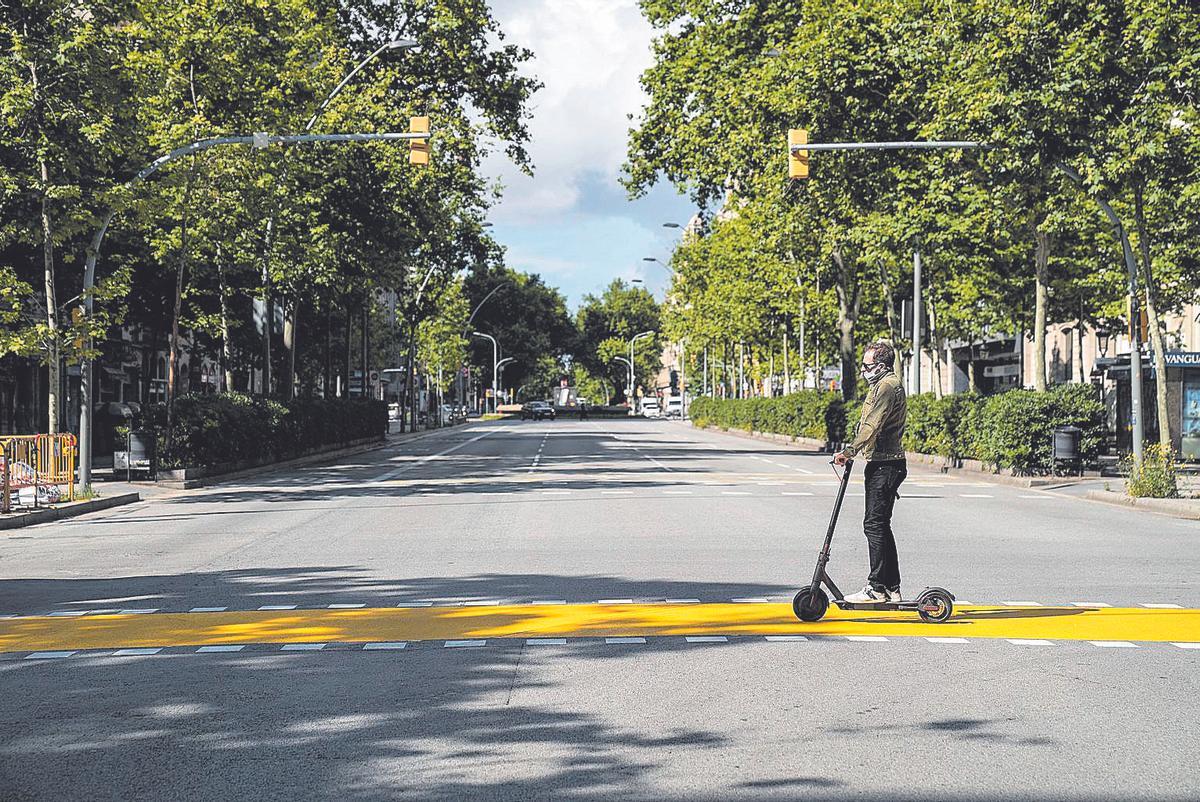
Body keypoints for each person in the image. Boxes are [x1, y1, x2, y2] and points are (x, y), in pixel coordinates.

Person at [832, 341, 908, 604]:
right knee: (880, 526)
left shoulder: (887, 387)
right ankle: (891, 587)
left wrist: (849, 451)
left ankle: (877, 588)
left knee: (874, 525)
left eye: (867, 365)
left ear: (881, 365)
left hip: (886, 464)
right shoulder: (883, 384)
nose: (863, 370)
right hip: (883, 462)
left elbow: (872, 425)